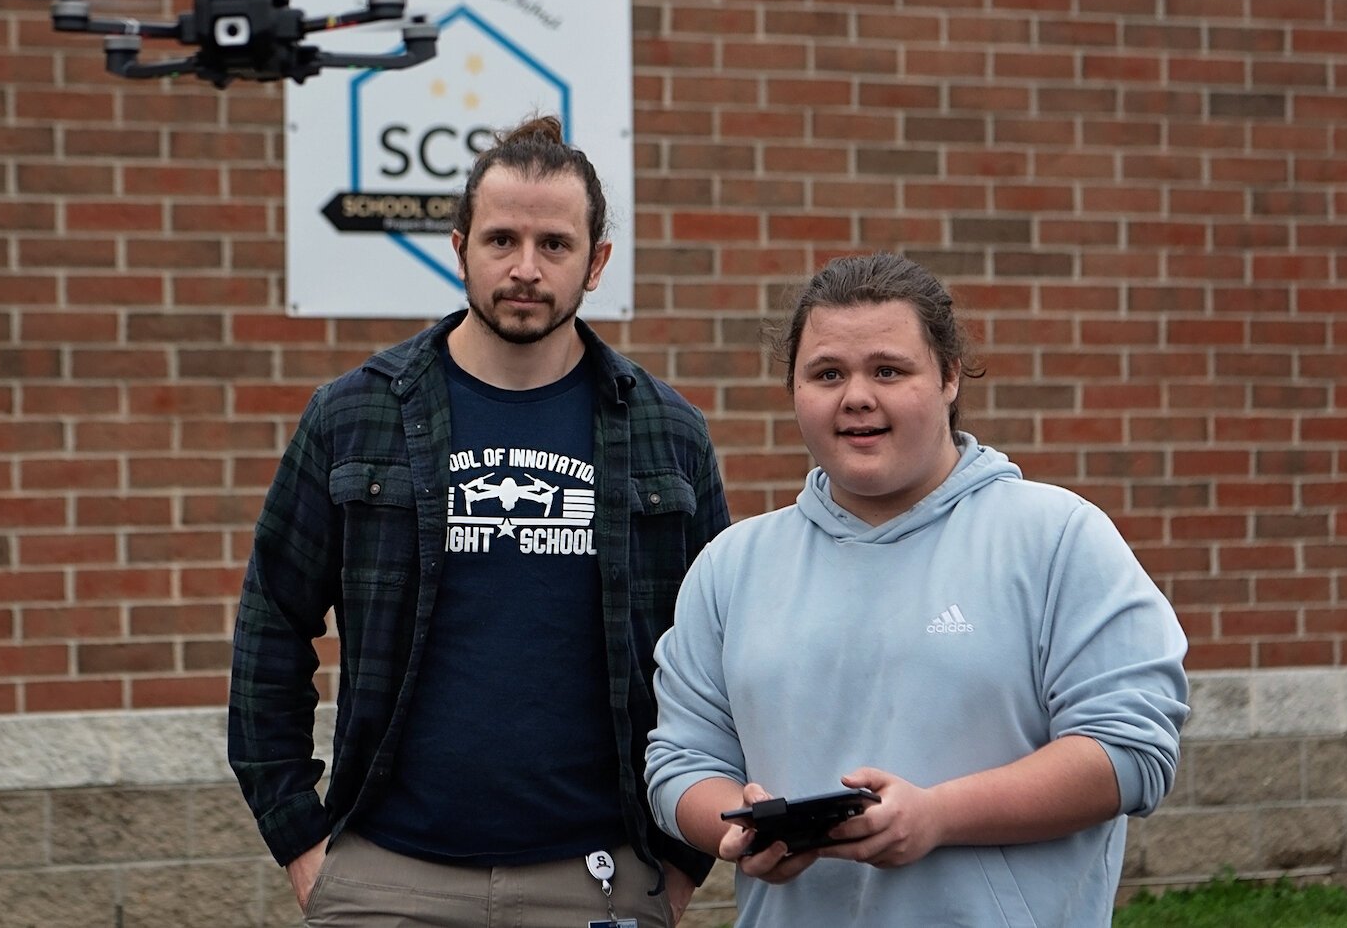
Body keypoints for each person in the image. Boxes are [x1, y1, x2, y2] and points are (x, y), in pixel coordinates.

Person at [229, 115, 730, 927]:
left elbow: (718, 655)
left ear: (596, 263)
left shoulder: (666, 434)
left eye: (555, 245)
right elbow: (272, 626)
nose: (525, 269)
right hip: (388, 878)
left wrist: (677, 866)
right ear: (458, 246)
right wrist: (301, 840)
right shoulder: (356, 415)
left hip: (597, 879)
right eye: (501, 240)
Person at [645, 252, 1189, 927]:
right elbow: (679, 761)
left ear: (950, 375)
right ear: (795, 389)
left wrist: (938, 816)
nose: (857, 397)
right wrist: (732, 828)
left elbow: (1129, 754)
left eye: (889, 370)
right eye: (827, 374)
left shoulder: (1058, 538)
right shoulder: (732, 567)